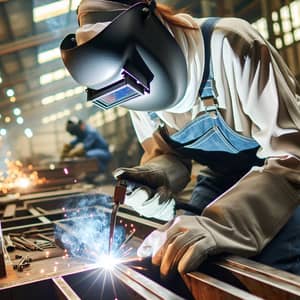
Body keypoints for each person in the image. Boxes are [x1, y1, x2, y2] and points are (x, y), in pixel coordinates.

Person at [60, 0, 300, 276]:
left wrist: (222, 225)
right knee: (179, 247)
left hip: (284, 182)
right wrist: (156, 175)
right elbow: (167, 154)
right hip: (220, 177)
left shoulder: (230, 44)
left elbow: (292, 156)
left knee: (275, 263)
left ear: (152, 33)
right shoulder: (127, 90)